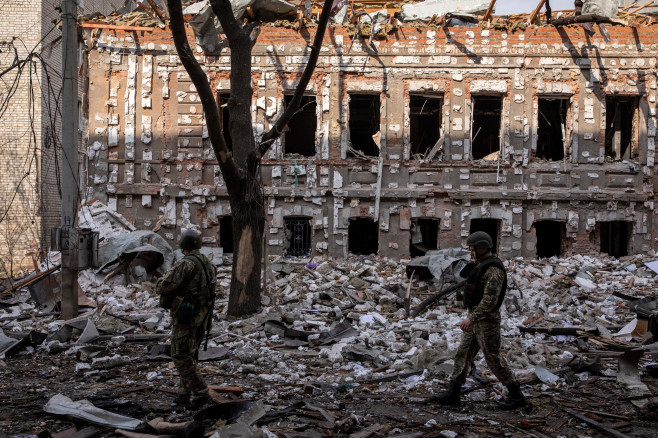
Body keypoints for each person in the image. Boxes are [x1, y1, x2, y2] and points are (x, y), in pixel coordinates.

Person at [429, 231, 526, 410]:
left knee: (493, 358)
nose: (471, 252)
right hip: (475, 318)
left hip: (487, 321)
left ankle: (516, 395)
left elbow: (490, 301)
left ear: (483, 248)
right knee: (463, 354)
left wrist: (471, 318)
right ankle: (453, 393)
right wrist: (472, 263)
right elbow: (465, 276)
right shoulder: (480, 264)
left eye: (473, 249)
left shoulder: (494, 270)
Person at [157, 229, 217, 409]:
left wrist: (159, 281)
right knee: (190, 354)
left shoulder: (186, 264)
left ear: (183, 245)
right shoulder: (208, 263)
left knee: (180, 354)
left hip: (187, 315)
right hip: (202, 316)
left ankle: (200, 393)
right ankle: (184, 394)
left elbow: (165, 287)